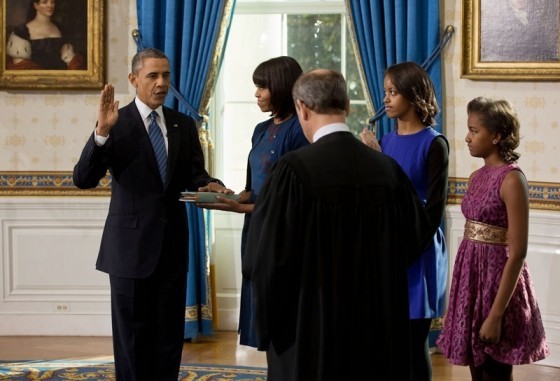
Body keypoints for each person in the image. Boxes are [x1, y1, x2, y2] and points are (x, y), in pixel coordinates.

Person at [242, 68, 436, 380]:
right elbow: (414, 241)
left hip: (311, 334)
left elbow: (264, 258)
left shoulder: (293, 171)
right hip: (375, 331)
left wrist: (268, 329)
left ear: (302, 108)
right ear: (346, 106)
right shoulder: (386, 170)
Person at [73, 48, 231, 381]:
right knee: (131, 340)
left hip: (172, 247)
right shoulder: (115, 122)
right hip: (129, 250)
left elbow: (195, 175)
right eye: (153, 76)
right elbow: (83, 179)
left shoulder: (184, 124)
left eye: (166, 76)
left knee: (168, 339)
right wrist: (101, 133)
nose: (161, 83)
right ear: (134, 80)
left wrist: (212, 184)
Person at [196, 56, 309, 347]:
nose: (256, 94)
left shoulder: (300, 131)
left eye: (262, 87)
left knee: (283, 310)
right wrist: (223, 196)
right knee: (260, 299)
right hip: (257, 227)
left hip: (284, 231)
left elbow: (296, 199)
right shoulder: (260, 130)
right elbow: (250, 189)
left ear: (282, 87)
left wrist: (240, 207)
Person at [436, 96, 549, 380]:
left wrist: (496, 314)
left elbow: (519, 251)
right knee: (477, 369)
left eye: (474, 130)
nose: (467, 137)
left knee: (495, 373)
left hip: (496, 285)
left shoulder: (512, 179)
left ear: (496, 136)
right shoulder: (477, 177)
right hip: (471, 280)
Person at [360, 61, 449, 381]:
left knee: (413, 343)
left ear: (414, 95)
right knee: (386, 341)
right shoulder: (385, 140)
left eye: (393, 92)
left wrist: (406, 249)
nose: (386, 99)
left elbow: (434, 209)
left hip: (418, 248)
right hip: (386, 245)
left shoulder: (434, 143)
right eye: (385, 92)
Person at [24, 0, 85, 69]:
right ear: (36, 5)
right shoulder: (24, 30)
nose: (50, 6)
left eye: (52, 2)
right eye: (44, 2)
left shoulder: (60, 28)